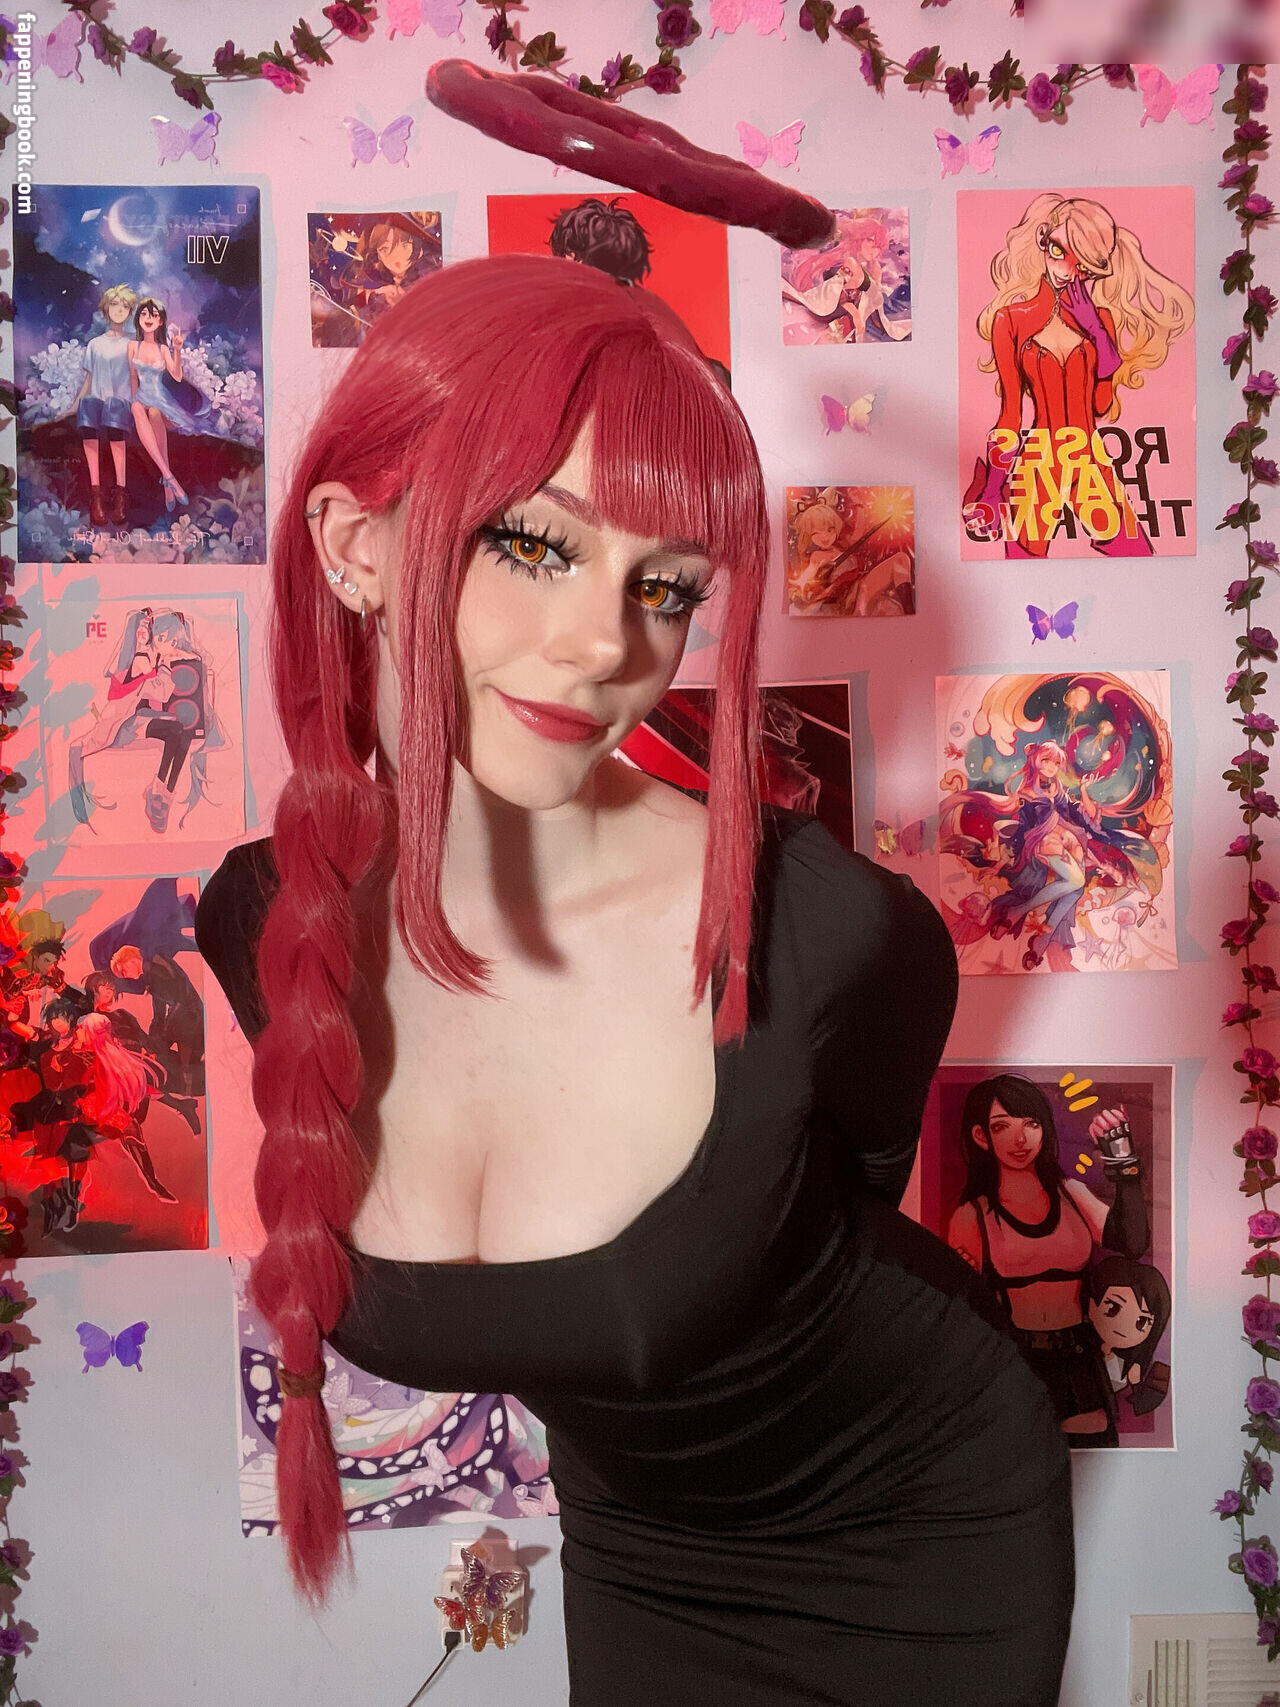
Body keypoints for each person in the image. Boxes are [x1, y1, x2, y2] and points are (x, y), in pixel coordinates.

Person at [194, 254, 1073, 1705]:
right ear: (354, 545)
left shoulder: (823, 929)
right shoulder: (261, 915)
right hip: (639, 1535)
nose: (609, 643)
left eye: (664, 586)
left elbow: (844, 1192)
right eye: (535, 545)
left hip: (912, 1515)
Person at [963, 192, 1193, 557]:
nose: (1066, 271)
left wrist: (1097, 332)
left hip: (1089, 460)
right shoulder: (1010, 321)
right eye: (1059, 251)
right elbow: (1010, 415)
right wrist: (992, 489)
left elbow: (1101, 405)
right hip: (1038, 463)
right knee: (1020, 565)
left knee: (1137, 554)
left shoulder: (1101, 320)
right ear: (1044, 239)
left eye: (1082, 265)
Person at [946, 1073, 1150, 1449]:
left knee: (1093, 1457)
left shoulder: (1071, 1194)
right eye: (1002, 1126)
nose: (1020, 1139)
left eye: (1031, 1123)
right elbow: (964, 1316)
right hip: (1012, 1365)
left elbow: (1132, 1242)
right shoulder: (971, 1217)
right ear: (981, 1137)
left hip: (1079, 1359)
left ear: (1044, 1129)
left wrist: (1123, 1162)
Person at [73, 284, 137, 527]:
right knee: (88, 404)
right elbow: (89, 380)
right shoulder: (95, 344)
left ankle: (121, 493)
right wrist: (74, 405)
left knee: (113, 406)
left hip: (122, 404)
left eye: (125, 306)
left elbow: (140, 377)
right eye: (114, 304)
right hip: (99, 403)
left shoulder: (133, 342)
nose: (119, 309)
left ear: (129, 311)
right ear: (106, 308)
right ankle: (96, 494)